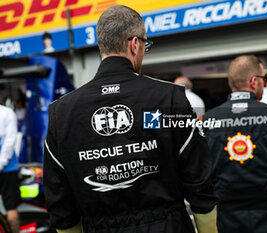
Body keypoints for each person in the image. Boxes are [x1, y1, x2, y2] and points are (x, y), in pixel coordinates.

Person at [43, 5, 217, 233]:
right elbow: (200, 184)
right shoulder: (169, 97)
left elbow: (61, 206)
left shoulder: (61, 112)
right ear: (134, 44)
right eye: (146, 45)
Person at [203, 55, 267, 233]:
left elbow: (200, 173)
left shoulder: (205, 122)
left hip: (228, 219)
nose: (265, 83)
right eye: (264, 78)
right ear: (254, 81)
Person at [0, 104, 20, 233]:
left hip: (8, 168)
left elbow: (10, 141)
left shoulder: (7, 113)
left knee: (11, 208)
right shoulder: (7, 112)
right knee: (11, 207)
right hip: (7, 167)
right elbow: (10, 140)